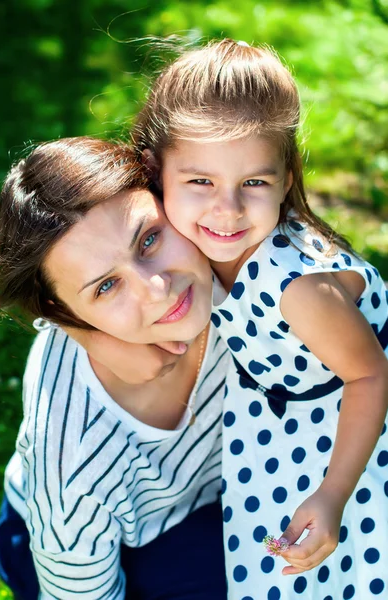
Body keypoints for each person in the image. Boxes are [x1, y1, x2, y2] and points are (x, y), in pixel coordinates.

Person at [77, 39, 388, 598]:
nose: (228, 210)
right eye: (201, 182)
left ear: (286, 179)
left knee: (337, 575)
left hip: (346, 439)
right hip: (275, 430)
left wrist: (332, 495)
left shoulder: (298, 289)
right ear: (156, 172)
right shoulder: (185, 242)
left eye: (254, 183)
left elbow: (370, 376)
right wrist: (71, 323)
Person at [0, 137, 230, 600]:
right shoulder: (73, 461)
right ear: (66, 314)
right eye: (106, 287)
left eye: (149, 238)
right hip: (112, 550)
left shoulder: (228, 269)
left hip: (212, 491)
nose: (157, 290)